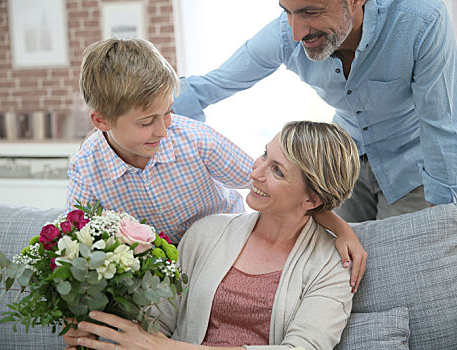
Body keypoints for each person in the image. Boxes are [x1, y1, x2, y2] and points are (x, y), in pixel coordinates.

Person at [67, 38, 367, 289]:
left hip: (229, 254)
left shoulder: (195, 140)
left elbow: (271, 184)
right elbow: (78, 243)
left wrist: (341, 228)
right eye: (147, 122)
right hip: (157, 278)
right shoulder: (86, 169)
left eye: (168, 112)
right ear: (102, 121)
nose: (162, 130)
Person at [172, 0, 457, 223]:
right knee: (337, 267)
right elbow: (208, 86)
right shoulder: (285, 34)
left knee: (399, 270)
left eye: (310, 12)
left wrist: (444, 223)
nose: (295, 32)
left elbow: (442, 124)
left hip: (412, 168)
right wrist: (147, 122)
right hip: (342, 163)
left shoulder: (420, 19)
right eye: (287, 11)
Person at [63, 120, 360, 350]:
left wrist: (167, 348)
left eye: (277, 171)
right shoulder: (206, 232)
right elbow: (155, 323)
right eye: (264, 155)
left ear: (311, 200)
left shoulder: (333, 265)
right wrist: (97, 334)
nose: (255, 173)